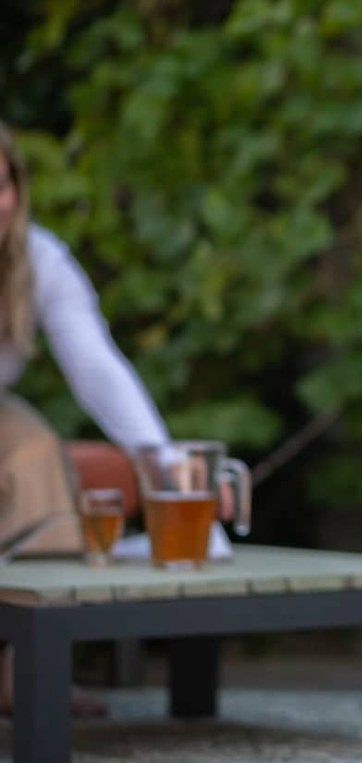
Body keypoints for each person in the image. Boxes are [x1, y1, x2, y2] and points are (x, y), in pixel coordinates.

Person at [0, 121, 172, 715]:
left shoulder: (40, 258)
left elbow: (97, 367)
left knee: (36, 452)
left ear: (17, 191)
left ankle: (29, 669)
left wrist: (163, 462)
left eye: (1, 185)